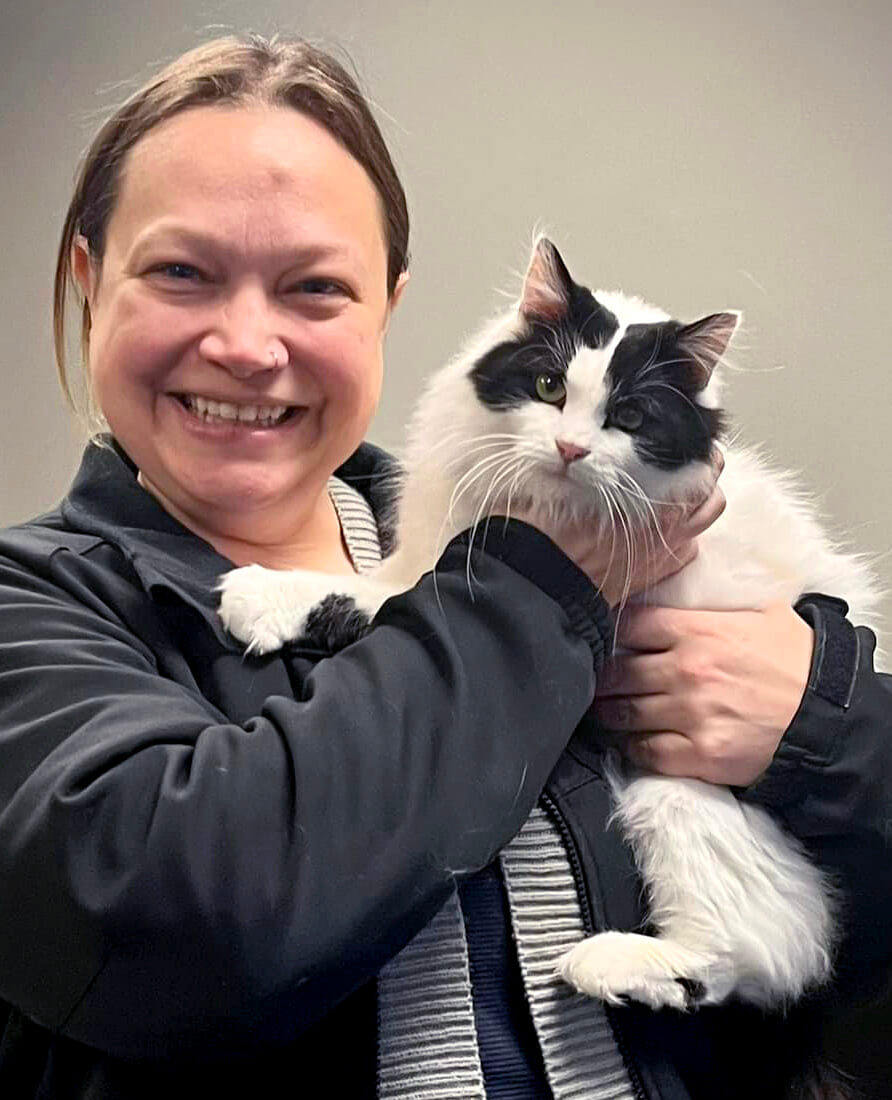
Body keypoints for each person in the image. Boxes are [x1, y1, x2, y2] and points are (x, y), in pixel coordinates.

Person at [0, 32, 888, 1100]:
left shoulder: (511, 540)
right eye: (183, 272)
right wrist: (543, 590)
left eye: (314, 287)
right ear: (92, 284)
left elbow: (849, 952)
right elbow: (193, 927)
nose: (246, 343)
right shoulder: (34, 605)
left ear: (387, 307)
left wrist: (825, 729)